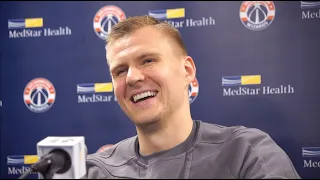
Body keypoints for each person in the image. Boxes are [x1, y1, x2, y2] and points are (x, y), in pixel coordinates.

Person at [84, 15, 301, 179]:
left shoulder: (247, 154)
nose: (132, 77)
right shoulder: (94, 171)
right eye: (120, 70)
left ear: (187, 70)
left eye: (148, 60)